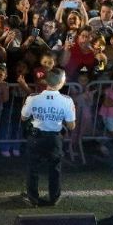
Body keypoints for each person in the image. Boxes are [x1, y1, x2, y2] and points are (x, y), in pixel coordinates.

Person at [20, 68, 76, 206]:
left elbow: (23, 117)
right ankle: (54, 197)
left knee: (33, 167)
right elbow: (71, 126)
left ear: (46, 80)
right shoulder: (67, 101)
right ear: (62, 82)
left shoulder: (33, 98)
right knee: (55, 168)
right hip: (54, 138)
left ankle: (32, 198)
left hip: (36, 137)